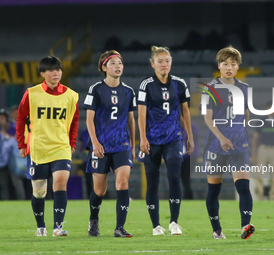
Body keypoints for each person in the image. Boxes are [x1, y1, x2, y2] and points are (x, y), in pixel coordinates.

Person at [16, 56, 79, 237]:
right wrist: (22, 144)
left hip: (61, 147)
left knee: (60, 183)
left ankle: (58, 227)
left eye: (58, 70)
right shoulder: (32, 93)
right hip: (38, 148)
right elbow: (21, 119)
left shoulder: (70, 95)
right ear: (43, 73)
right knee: (39, 191)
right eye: (51, 70)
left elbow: (75, 120)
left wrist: (71, 142)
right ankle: (40, 226)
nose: (56, 73)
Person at [138, 46, 194, 236]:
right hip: (152, 140)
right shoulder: (146, 85)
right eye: (160, 61)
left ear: (171, 63)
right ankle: (156, 225)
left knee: (174, 178)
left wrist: (190, 138)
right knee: (152, 182)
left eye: (167, 61)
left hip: (173, 139)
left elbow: (185, 111)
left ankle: (174, 222)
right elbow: (141, 115)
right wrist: (143, 138)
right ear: (153, 64)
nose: (164, 64)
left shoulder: (179, 84)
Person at [201, 46, 255, 240]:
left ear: (238, 66)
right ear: (219, 66)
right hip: (216, 145)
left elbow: (247, 115)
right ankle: (217, 230)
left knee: (243, 188)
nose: (229, 67)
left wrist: (242, 134)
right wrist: (222, 137)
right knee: (214, 189)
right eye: (225, 64)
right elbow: (207, 118)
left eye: (233, 63)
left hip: (239, 147)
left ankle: (245, 226)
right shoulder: (210, 88)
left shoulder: (244, 88)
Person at [83, 50, 136, 238]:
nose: (118, 66)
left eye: (120, 63)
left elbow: (131, 120)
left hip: (122, 145)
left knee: (122, 183)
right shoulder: (95, 89)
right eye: (113, 63)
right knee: (99, 190)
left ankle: (119, 227)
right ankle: (93, 221)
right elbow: (89, 119)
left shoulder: (129, 91)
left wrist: (133, 145)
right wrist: (95, 143)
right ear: (104, 67)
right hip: (101, 147)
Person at [251, 102, 274, 200]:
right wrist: (254, 155)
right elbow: (255, 138)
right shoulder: (261, 120)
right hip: (263, 149)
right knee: (259, 174)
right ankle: (259, 196)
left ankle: (273, 197)